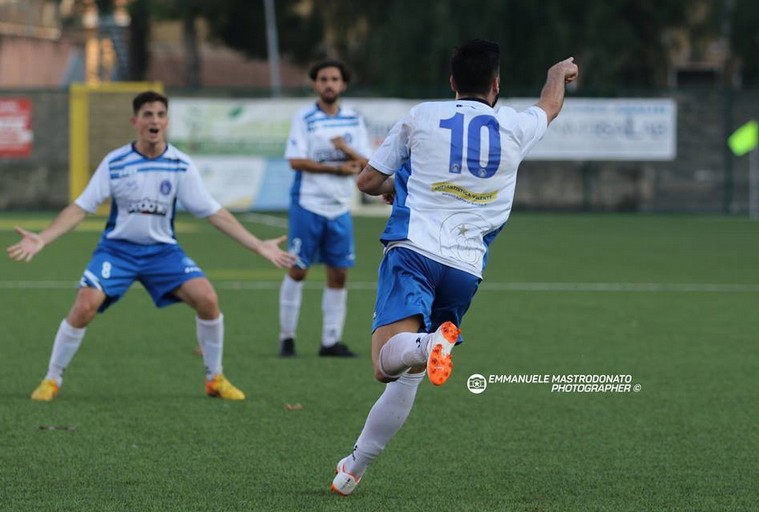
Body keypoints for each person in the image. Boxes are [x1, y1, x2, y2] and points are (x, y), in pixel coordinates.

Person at [329, 39, 579, 495]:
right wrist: (558, 73)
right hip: (466, 268)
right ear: (496, 85)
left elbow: (367, 181)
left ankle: (426, 343)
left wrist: (397, 184)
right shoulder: (517, 125)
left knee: (386, 365)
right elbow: (550, 104)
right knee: (411, 374)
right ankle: (352, 469)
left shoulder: (422, 115)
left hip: (414, 251)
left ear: (452, 83)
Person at [6, 91, 296, 402]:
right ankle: (52, 379)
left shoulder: (180, 164)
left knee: (208, 299)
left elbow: (214, 213)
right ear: (135, 121)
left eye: (160, 114)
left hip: (162, 253)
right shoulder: (116, 162)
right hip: (117, 251)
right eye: (147, 114)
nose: (154, 120)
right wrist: (43, 238)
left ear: (167, 122)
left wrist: (257, 245)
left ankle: (215, 378)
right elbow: (80, 208)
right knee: (84, 307)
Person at [279, 59, 372, 358]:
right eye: (323, 79)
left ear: (343, 84)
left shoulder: (353, 120)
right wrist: (335, 169)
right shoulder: (305, 119)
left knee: (339, 274)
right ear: (315, 84)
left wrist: (344, 150)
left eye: (334, 79)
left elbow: (366, 162)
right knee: (297, 269)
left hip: (339, 206)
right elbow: (295, 160)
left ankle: (330, 341)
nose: (329, 84)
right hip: (308, 203)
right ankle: (287, 338)